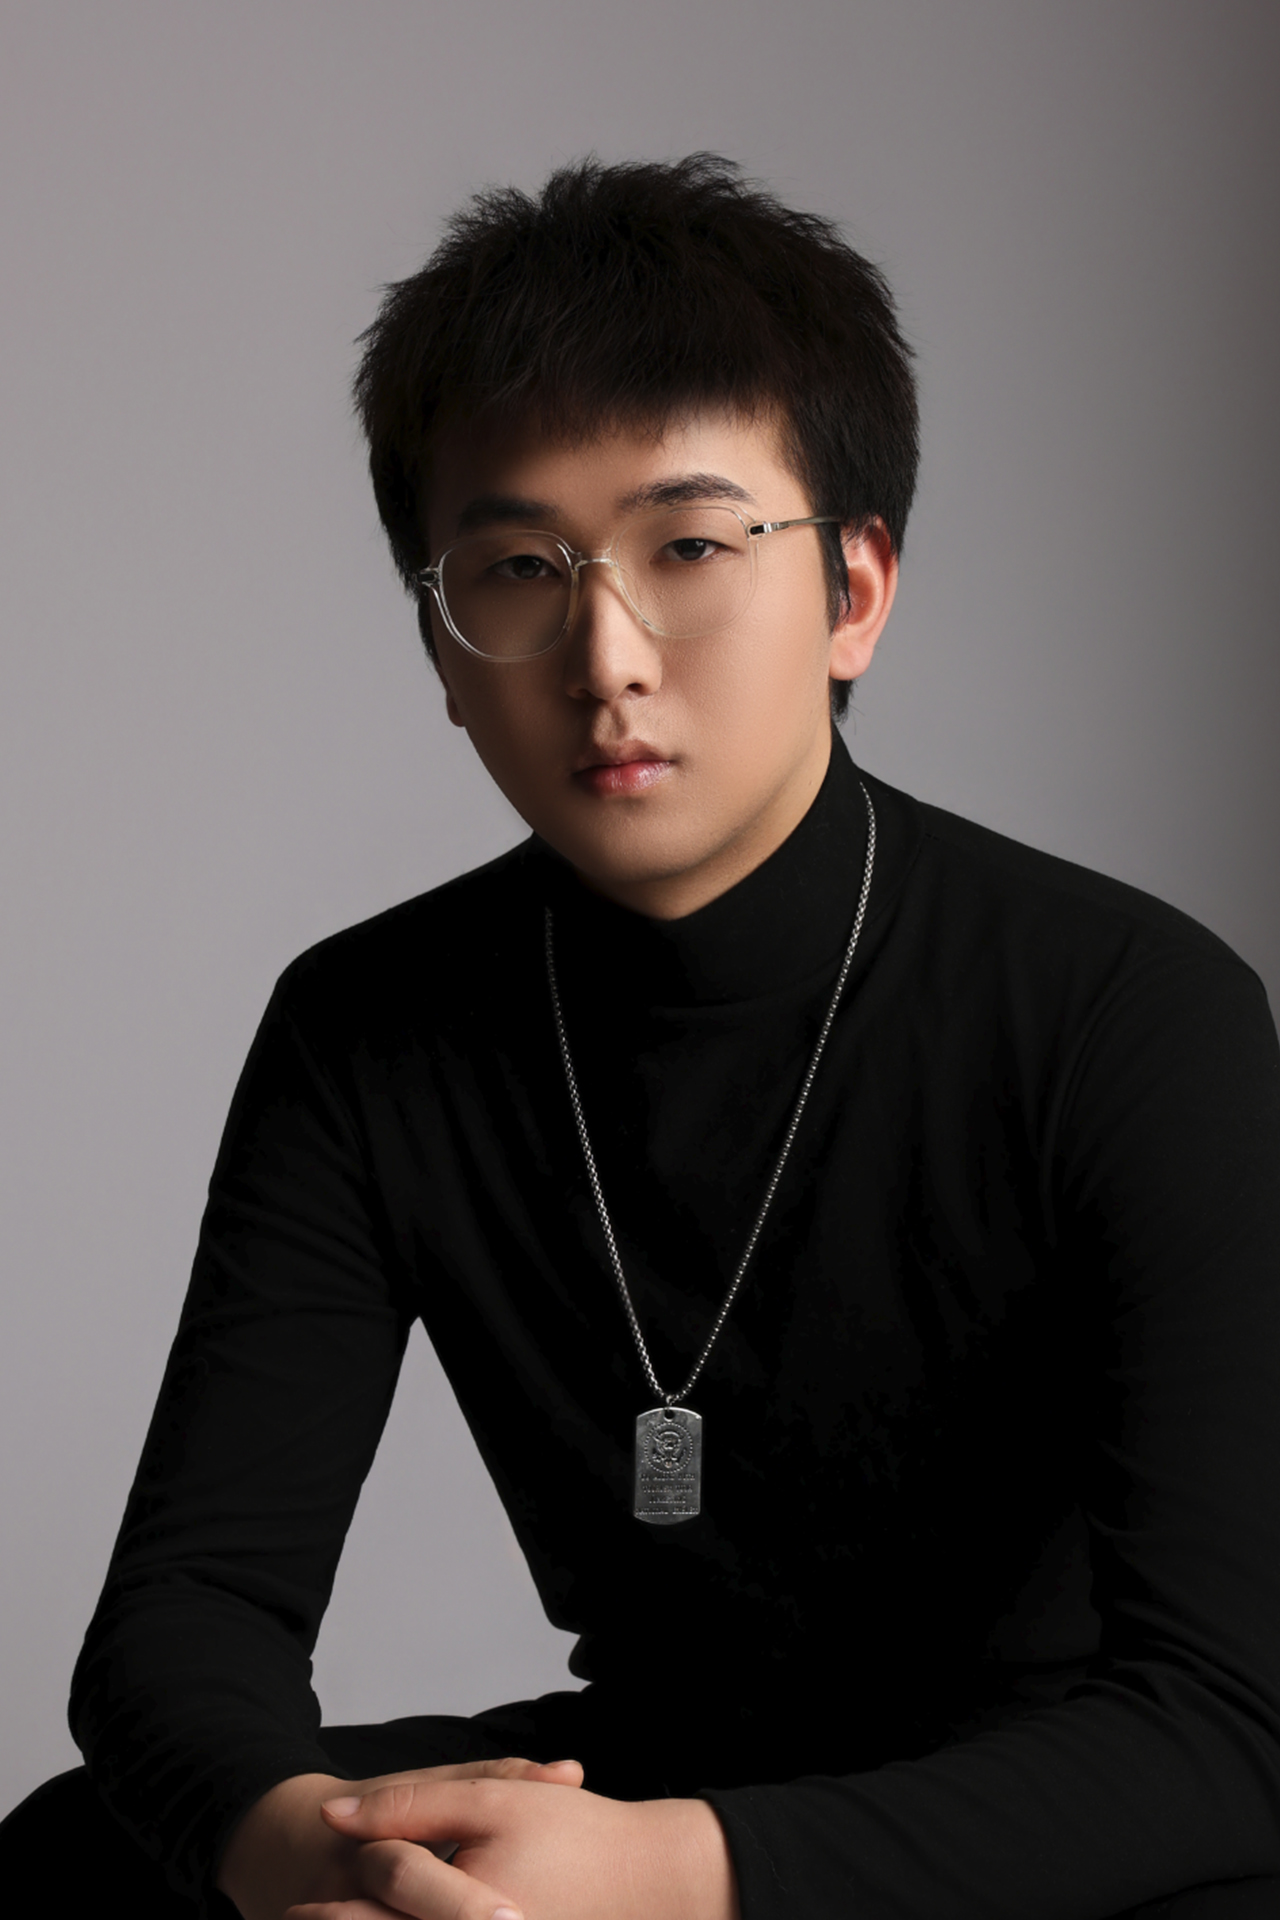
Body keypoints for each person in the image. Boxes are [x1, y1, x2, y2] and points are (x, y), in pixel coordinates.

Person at [4, 154, 1279, 1920]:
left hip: (1041, 1823)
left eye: (690, 546)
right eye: (519, 568)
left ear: (854, 588)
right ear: (443, 647)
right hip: (646, 1773)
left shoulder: (1132, 1010)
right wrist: (307, 1846)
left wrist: (673, 1875)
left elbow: (1228, 1719)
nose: (605, 656)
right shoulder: (366, 1029)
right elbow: (187, 1613)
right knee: (87, 1853)